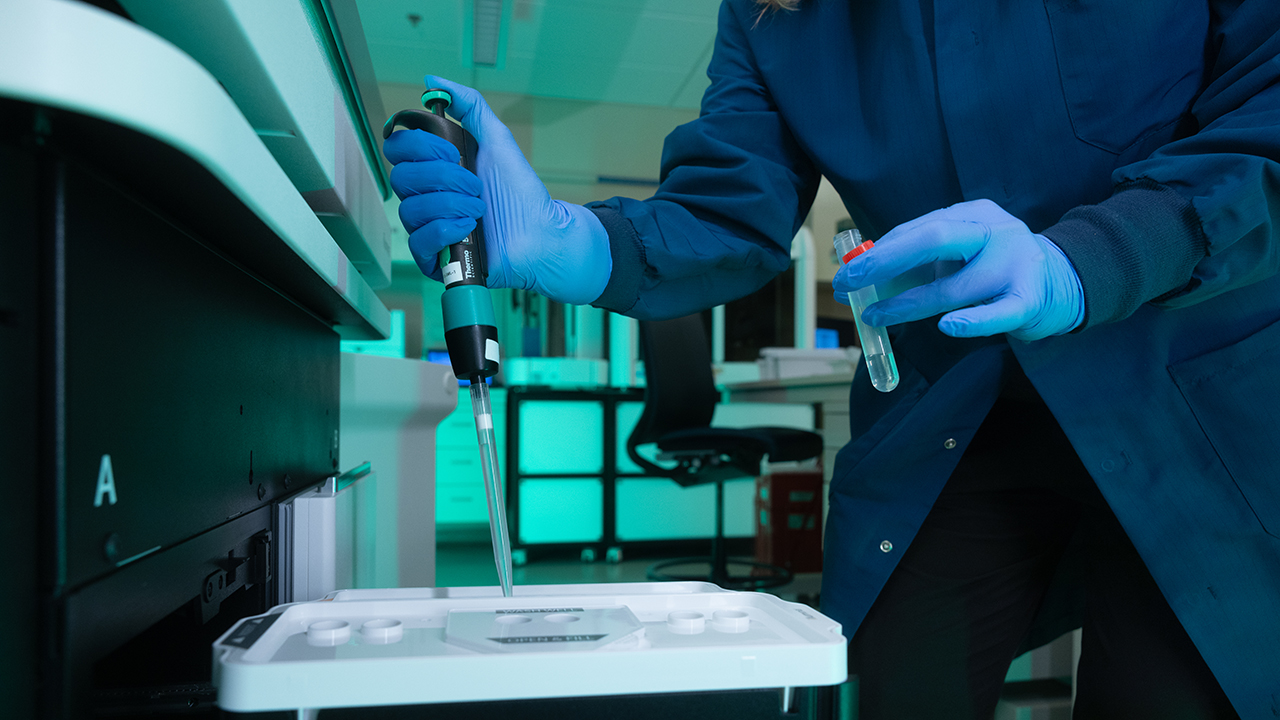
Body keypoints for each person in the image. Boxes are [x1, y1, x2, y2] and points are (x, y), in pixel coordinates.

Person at [383, 0, 1280, 716]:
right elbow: (734, 211)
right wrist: (578, 244)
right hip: (957, 417)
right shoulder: (775, 13)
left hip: (1198, 406)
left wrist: (1089, 260)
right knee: (889, 676)